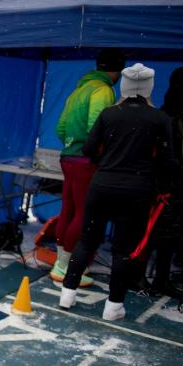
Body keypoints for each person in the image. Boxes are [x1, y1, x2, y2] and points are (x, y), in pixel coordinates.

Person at [60, 64, 175, 320]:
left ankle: (67, 292)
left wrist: (110, 156)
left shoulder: (109, 114)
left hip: (102, 184)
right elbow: (168, 161)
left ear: (123, 86)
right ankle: (113, 306)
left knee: (87, 240)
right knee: (123, 250)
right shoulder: (160, 119)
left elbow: (89, 149)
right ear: (148, 88)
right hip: (136, 190)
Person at [52, 49, 125, 286]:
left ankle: (60, 263)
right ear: (117, 71)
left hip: (68, 157)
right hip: (87, 161)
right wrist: (99, 151)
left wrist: (72, 145)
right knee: (84, 214)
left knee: (69, 209)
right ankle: (66, 266)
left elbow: (60, 128)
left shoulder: (78, 90)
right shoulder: (103, 90)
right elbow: (98, 124)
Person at [146, 63, 183, 299]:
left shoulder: (176, 114)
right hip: (168, 187)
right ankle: (155, 278)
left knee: (171, 235)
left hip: (179, 186)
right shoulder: (170, 116)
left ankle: (162, 278)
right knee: (160, 233)